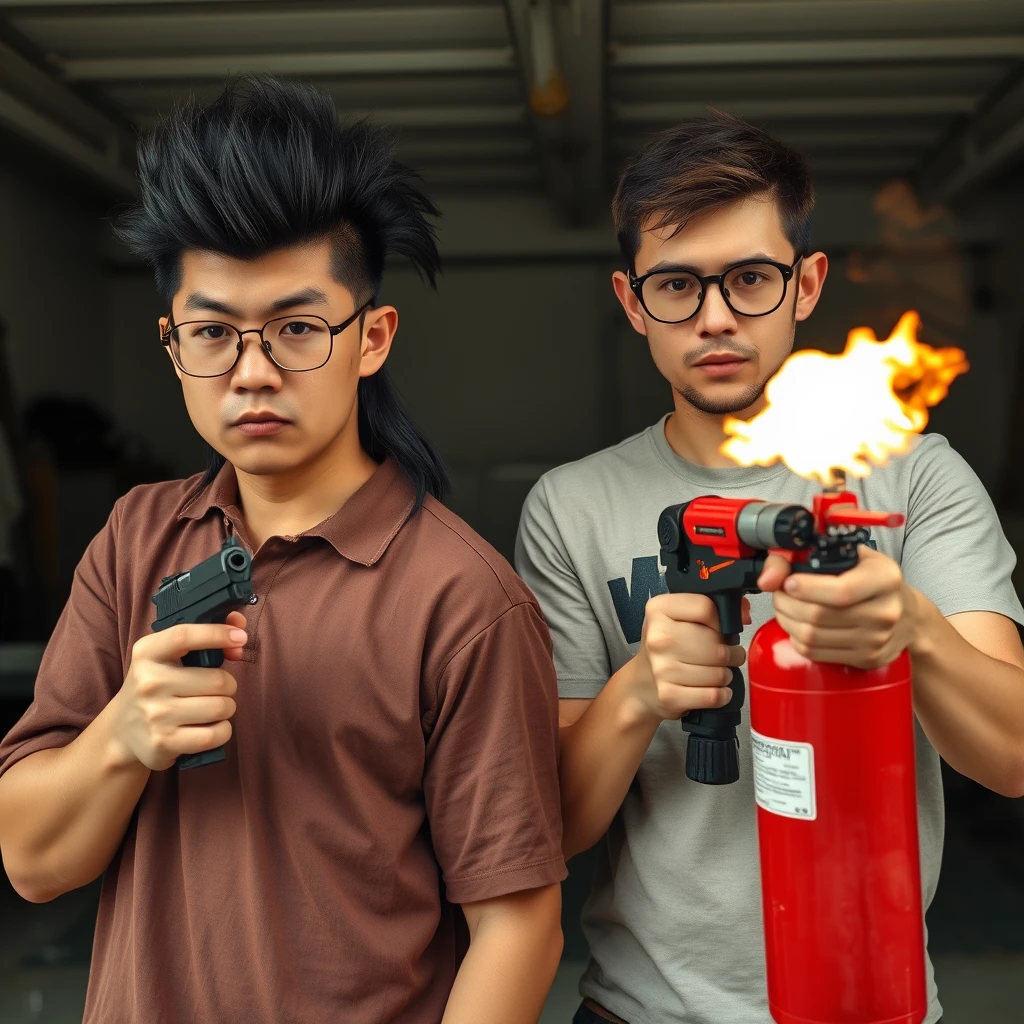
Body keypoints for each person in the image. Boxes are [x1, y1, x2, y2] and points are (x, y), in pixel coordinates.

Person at [0, 77, 565, 1024]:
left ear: (372, 337)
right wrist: (124, 735)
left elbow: (520, 929)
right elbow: (32, 863)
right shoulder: (135, 540)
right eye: (214, 333)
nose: (253, 372)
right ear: (172, 344)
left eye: (298, 329)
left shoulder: (461, 598)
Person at [515, 112, 1024, 1024]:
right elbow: (551, 832)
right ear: (631, 301)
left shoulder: (915, 474)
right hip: (640, 1010)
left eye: (749, 278)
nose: (714, 318)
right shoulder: (571, 506)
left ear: (806, 283)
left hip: (872, 999)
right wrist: (639, 692)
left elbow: (1015, 759)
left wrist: (915, 632)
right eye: (676, 284)